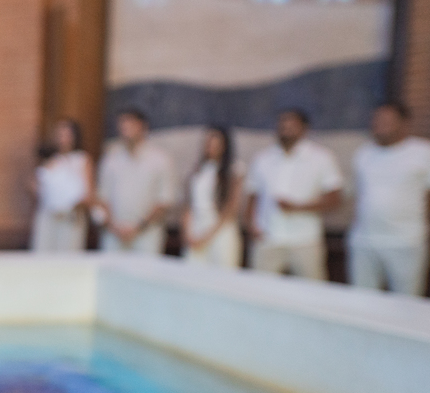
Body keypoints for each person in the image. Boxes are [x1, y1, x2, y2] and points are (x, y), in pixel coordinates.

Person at [246, 109, 344, 280]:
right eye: (282, 125)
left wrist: (298, 207)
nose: (286, 129)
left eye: (292, 126)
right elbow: (252, 196)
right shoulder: (263, 158)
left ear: (304, 128)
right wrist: (252, 226)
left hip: (305, 240)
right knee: (261, 291)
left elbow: (335, 199)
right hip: (268, 238)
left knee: (312, 293)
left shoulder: (321, 158)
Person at [349, 102, 430, 296]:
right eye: (376, 121)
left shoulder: (422, 152)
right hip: (364, 241)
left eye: (386, 121)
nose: (379, 126)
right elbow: (359, 195)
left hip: (405, 242)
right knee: (361, 301)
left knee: (406, 303)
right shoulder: (363, 153)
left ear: (404, 123)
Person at [96, 108, 176, 254]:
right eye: (122, 124)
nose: (125, 128)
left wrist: (137, 228)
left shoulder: (160, 160)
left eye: (130, 123)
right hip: (114, 235)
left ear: (143, 126)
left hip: (146, 235)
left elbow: (164, 201)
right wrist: (115, 228)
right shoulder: (111, 159)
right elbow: (102, 198)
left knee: (144, 275)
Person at [182, 126, 245, 268]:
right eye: (209, 142)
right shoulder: (197, 170)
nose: (211, 146)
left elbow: (231, 207)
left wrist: (207, 236)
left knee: (221, 275)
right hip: (196, 228)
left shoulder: (234, 169)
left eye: (216, 143)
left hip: (220, 230)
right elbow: (188, 205)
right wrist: (187, 232)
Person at [27, 119, 93, 252]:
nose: (63, 139)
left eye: (66, 134)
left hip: (71, 217)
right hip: (49, 216)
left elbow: (89, 192)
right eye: (60, 134)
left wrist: (72, 201)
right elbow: (35, 185)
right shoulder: (49, 159)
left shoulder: (81, 159)